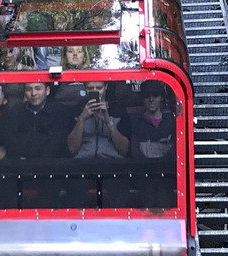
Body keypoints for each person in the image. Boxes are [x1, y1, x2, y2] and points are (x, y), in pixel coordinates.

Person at [0, 82, 73, 207]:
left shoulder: (59, 111)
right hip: (20, 167)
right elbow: (6, 138)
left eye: (38, 89)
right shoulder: (18, 110)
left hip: (49, 170)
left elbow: (57, 144)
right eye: (29, 89)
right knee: (7, 184)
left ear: (47, 91)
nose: (33, 93)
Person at [66, 81, 131, 207]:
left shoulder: (118, 110)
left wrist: (108, 121)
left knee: (119, 184)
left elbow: (124, 149)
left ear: (105, 87)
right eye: (90, 88)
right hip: (82, 164)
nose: (95, 91)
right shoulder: (75, 111)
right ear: (85, 89)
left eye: (99, 88)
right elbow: (72, 149)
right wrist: (82, 119)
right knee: (74, 185)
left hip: (112, 164)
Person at [131, 80, 176, 208]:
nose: (151, 100)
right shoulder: (136, 121)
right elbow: (134, 150)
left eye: (155, 96)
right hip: (144, 173)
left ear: (161, 98)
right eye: (147, 96)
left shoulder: (172, 120)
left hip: (166, 173)